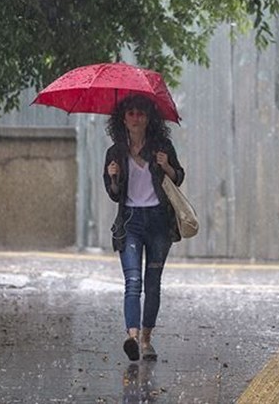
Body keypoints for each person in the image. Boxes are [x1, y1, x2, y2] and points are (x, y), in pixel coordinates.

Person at [104, 94, 185, 362]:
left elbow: (179, 177)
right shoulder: (115, 153)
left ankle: (147, 339)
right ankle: (132, 337)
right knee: (133, 281)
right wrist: (114, 177)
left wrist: (166, 166)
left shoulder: (162, 147)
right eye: (131, 113)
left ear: (149, 118)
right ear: (123, 119)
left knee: (152, 284)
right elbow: (114, 194)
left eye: (141, 113)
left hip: (159, 222)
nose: (135, 118)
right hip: (130, 222)